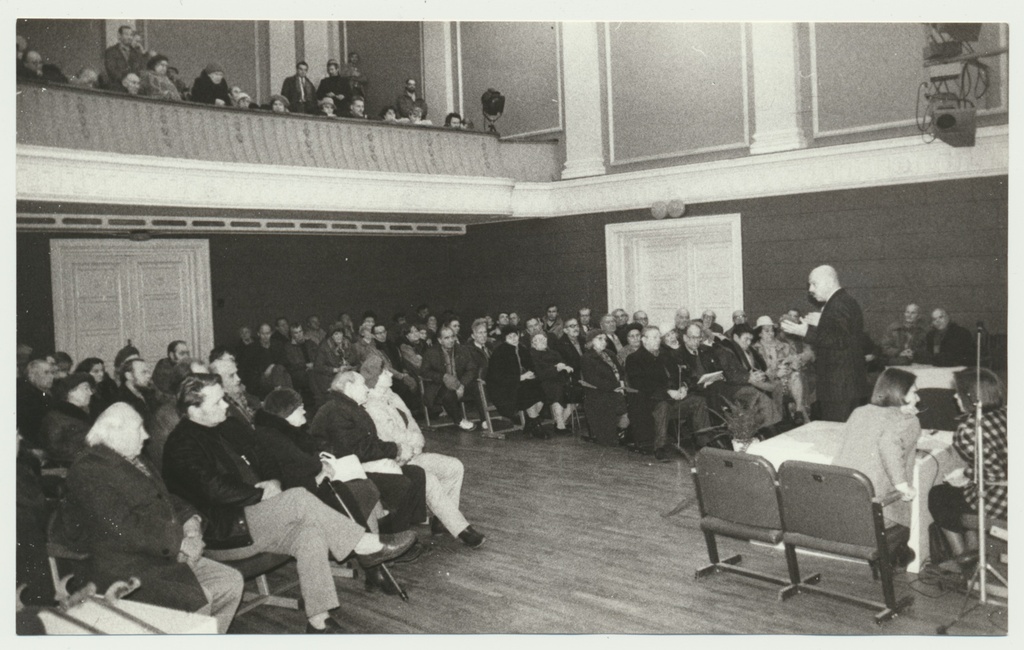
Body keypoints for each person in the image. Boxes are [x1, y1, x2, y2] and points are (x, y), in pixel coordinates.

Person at [162, 374, 416, 633]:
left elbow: (264, 455)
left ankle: (318, 621)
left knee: (310, 534)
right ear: (194, 409)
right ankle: (365, 545)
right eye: (217, 402)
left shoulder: (227, 427)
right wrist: (257, 494)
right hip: (226, 528)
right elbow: (213, 489)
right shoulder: (181, 445)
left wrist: (272, 481)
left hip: (258, 514)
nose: (226, 406)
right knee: (297, 499)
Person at [63, 403, 244, 634]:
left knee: (230, 581)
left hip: (159, 555)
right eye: (139, 429)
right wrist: (179, 542)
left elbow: (164, 498)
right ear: (115, 432)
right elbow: (124, 526)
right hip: (124, 566)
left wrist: (191, 520)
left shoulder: (135, 459)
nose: (146, 436)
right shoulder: (88, 470)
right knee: (199, 597)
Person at [361, 362, 485, 547]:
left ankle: (442, 521)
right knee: (429, 479)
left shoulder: (392, 396)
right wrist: (415, 441)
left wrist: (417, 440)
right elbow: (392, 437)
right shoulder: (371, 406)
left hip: (413, 453)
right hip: (394, 462)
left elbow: (411, 423)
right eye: (385, 371)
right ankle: (461, 529)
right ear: (376, 379)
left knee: (454, 466)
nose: (390, 374)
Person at [309, 371, 428, 536]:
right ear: (348, 386)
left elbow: (369, 444)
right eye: (363, 384)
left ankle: (401, 530)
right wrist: (396, 449)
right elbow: (355, 450)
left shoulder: (350, 407)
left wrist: (396, 449)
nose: (367, 388)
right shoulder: (336, 411)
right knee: (401, 484)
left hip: (358, 464)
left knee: (416, 474)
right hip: (345, 472)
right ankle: (390, 538)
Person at [928, 368, 1007, 568]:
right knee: (957, 495)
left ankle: (962, 559)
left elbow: (993, 474)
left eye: (958, 392)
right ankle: (974, 551)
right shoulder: (1007, 414)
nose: (955, 396)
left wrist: (965, 473)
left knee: (938, 496)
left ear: (972, 397)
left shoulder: (969, 430)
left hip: (1000, 500)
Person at [832, 369, 923, 532]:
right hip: (878, 511)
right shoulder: (909, 421)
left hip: (841, 504)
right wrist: (902, 486)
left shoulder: (859, 412)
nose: (918, 398)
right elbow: (888, 443)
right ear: (900, 393)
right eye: (914, 393)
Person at [781, 265, 867, 422]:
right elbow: (840, 335)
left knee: (836, 432)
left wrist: (805, 332)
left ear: (829, 281)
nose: (810, 290)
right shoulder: (842, 301)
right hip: (845, 384)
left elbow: (839, 341)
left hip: (840, 386)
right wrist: (818, 325)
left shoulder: (838, 304)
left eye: (814, 284)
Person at [626, 326, 712, 461]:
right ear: (644, 340)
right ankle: (659, 448)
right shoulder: (634, 359)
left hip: (673, 399)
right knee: (663, 406)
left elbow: (680, 375)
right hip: (649, 402)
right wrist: (668, 392)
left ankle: (704, 443)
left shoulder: (665, 356)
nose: (658, 341)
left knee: (698, 401)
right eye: (654, 337)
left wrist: (683, 387)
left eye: (658, 337)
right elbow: (642, 385)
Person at [487, 325, 546, 438]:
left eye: (515, 335)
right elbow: (497, 377)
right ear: (505, 338)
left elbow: (531, 366)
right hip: (504, 389)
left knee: (539, 391)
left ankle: (531, 423)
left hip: (522, 384)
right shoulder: (499, 352)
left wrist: (531, 373)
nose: (514, 338)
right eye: (510, 336)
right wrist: (520, 378)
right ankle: (536, 426)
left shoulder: (522, 349)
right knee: (529, 393)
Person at [579, 330, 628, 446]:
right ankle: (614, 433)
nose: (603, 342)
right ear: (591, 342)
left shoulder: (609, 353)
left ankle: (622, 431)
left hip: (616, 388)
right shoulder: (587, 358)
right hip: (599, 392)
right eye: (599, 339)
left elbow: (620, 371)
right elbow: (594, 380)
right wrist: (615, 387)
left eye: (604, 339)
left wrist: (621, 383)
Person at [40, 373, 95, 465]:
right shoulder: (56, 418)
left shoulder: (85, 413)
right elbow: (55, 449)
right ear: (70, 392)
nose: (90, 392)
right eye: (85, 388)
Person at [529, 332, 575, 432]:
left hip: (559, 380)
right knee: (557, 389)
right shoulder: (532, 354)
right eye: (538, 339)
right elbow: (539, 373)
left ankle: (561, 420)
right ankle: (560, 425)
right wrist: (556, 369)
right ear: (533, 343)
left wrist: (565, 367)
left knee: (575, 391)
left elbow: (563, 363)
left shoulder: (554, 353)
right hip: (542, 382)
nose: (542, 341)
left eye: (544, 339)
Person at [103, 25, 146, 90]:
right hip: (117, 86)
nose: (129, 37)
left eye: (131, 35)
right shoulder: (111, 51)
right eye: (126, 34)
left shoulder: (137, 53)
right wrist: (125, 80)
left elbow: (141, 69)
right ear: (119, 36)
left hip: (135, 86)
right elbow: (111, 69)